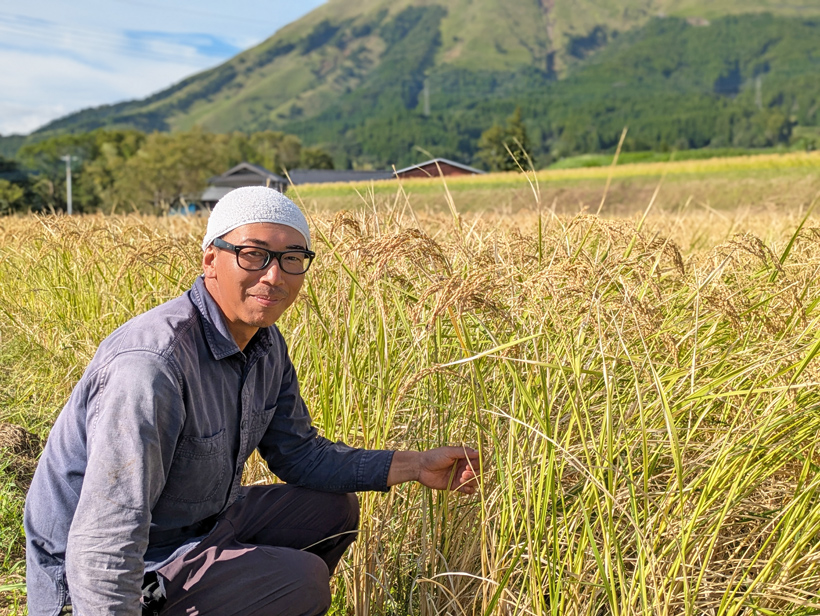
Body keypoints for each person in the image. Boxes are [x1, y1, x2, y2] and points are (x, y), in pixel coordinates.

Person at [24, 187, 479, 616]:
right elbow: (106, 536)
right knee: (301, 581)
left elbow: (300, 454)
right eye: (253, 254)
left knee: (331, 511)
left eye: (291, 258)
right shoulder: (151, 368)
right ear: (211, 260)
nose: (273, 275)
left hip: (197, 528)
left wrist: (415, 465)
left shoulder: (263, 344)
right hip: (111, 571)